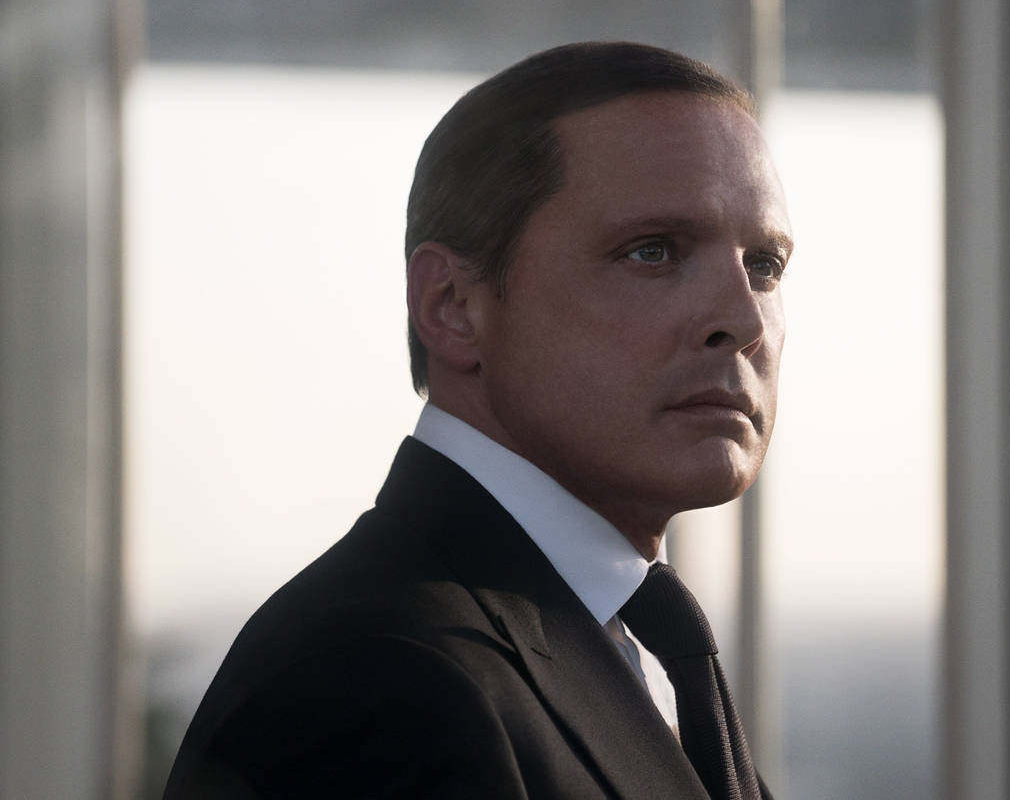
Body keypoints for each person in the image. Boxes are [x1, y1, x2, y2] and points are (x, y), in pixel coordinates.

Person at [163, 41, 793, 799]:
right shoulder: (378, 682)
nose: (741, 319)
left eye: (763, 265)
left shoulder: (625, 648)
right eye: (652, 251)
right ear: (451, 306)